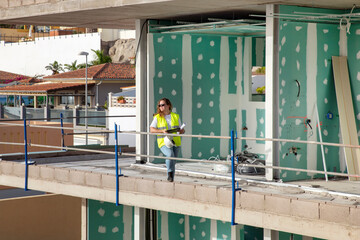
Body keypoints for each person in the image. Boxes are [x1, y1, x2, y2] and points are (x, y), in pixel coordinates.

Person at [150, 98, 185, 182]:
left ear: (168, 105)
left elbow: (181, 130)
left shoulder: (175, 116)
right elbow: (151, 130)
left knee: (173, 160)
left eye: (163, 105)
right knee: (170, 155)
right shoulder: (157, 117)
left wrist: (181, 131)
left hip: (175, 142)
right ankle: (169, 173)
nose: (161, 107)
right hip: (163, 142)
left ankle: (171, 178)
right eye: (159, 105)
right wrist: (162, 131)